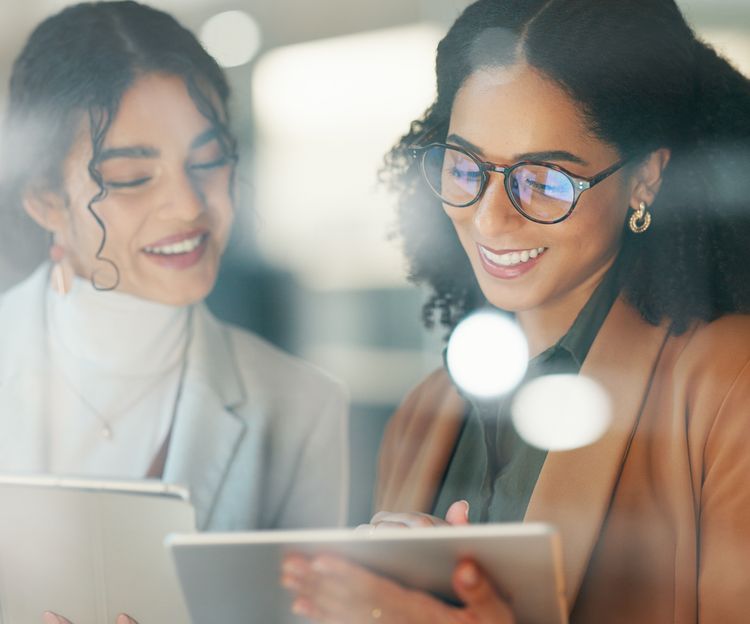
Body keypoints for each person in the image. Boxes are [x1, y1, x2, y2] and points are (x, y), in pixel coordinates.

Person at [281, 0, 750, 622]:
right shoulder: (422, 416)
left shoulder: (728, 387)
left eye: (547, 179)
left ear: (645, 180)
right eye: (465, 165)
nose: (490, 217)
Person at [0, 2, 348, 620]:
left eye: (208, 161)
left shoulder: (301, 408)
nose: (188, 205)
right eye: (132, 176)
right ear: (46, 202)